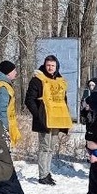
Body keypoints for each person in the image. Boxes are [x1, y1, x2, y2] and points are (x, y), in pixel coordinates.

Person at [24, 55, 73, 185]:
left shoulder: (61, 81)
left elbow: (64, 99)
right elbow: (29, 99)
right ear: (44, 66)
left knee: (51, 147)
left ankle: (47, 171)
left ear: (56, 66)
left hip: (57, 118)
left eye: (53, 65)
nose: (50, 68)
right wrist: (38, 114)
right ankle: (42, 174)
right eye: (48, 65)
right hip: (45, 118)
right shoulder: (37, 80)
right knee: (44, 147)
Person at [0, 60, 22, 146]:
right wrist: (4, 128)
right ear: (8, 73)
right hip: (3, 125)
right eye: (14, 71)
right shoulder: (3, 87)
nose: (16, 73)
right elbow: (2, 109)